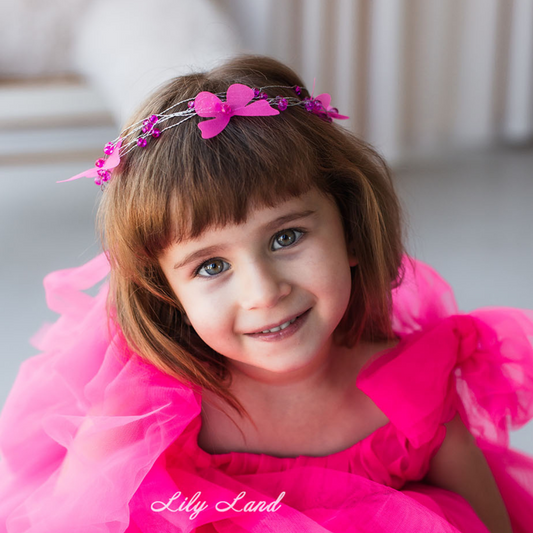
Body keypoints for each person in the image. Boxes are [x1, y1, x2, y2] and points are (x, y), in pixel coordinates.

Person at [0, 55, 532, 533]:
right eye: (211, 266)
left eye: (286, 237)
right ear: (169, 293)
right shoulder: (149, 418)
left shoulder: (412, 389)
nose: (264, 291)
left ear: (348, 228)